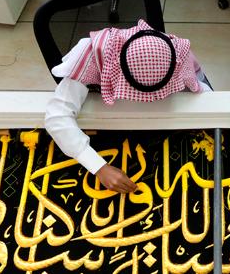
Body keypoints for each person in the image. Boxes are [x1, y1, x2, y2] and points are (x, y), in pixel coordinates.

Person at [45, 20, 211, 192]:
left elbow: (204, 93)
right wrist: (98, 167)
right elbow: (57, 117)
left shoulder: (177, 55)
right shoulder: (92, 56)